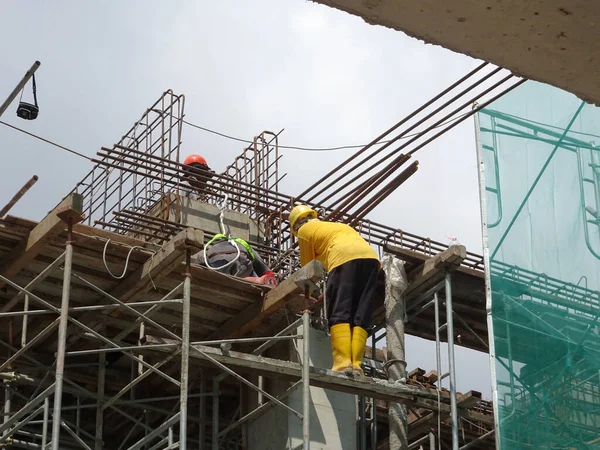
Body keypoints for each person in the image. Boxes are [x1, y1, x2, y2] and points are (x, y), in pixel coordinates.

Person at [289, 205, 380, 376]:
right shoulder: (336, 226)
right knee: (360, 313)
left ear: (295, 226)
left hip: (342, 259)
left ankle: (342, 362)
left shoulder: (304, 231)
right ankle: (356, 365)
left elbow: (308, 270)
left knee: (340, 310)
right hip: (371, 260)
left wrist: (309, 294)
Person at [197, 233, 277, 286]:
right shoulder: (239, 242)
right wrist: (268, 273)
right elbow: (258, 261)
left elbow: (201, 259)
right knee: (244, 275)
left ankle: (255, 280)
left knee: (225, 278)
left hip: (219, 267)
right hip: (241, 262)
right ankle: (259, 281)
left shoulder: (209, 249)